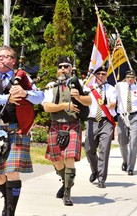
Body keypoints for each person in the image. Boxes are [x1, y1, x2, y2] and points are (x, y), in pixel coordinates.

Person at [0, 45, 44, 216]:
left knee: (12, 172)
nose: (1, 59)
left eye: (6, 56)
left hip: (16, 131)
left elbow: (40, 97)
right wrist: (6, 97)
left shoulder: (22, 77)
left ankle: (10, 212)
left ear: (13, 61)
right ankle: (8, 201)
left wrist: (25, 93)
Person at [42, 56, 91, 206]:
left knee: (69, 158)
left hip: (73, 124)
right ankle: (66, 182)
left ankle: (67, 193)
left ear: (71, 68)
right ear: (57, 70)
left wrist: (80, 97)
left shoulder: (79, 83)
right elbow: (46, 107)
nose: (63, 69)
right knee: (57, 161)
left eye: (66, 66)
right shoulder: (51, 85)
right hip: (56, 125)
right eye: (60, 67)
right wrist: (64, 106)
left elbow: (89, 101)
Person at [84, 66, 117, 188]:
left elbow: (113, 103)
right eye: (99, 74)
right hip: (92, 121)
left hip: (106, 121)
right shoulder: (88, 89)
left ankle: (101, 178)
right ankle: (95, 170)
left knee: (104, 149)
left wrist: (108, 104)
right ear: (95, 76)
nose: (102, 76)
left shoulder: (111, 89)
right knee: (88, 149)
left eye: (104, 74)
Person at [116, 70, 137, 176]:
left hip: (134, 116)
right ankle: (125, 161)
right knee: (122, 141)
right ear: (125, 78)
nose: (130, 79)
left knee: (133, 142)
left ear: (135, 79)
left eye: (132, 77)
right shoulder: (119, 86)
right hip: (122, 116)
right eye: (128, 77)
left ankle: (131, 167)